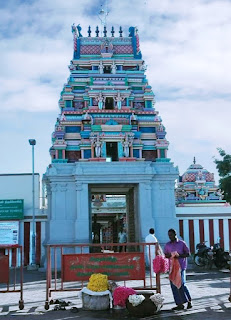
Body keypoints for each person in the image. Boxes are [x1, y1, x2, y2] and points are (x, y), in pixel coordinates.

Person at [164, 228, 192, 311]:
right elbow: (165, 255)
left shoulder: (182, 243)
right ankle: (179, 304)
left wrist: (179, 255)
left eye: (171, 235)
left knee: (182, 284)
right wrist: (169, 255)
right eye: (169, 235)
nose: (170, 237)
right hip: (172, 268)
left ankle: (189, 301)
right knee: (174, 285)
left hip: (181, 267)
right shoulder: (167, 245)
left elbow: (188, 254)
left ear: (175, 234)